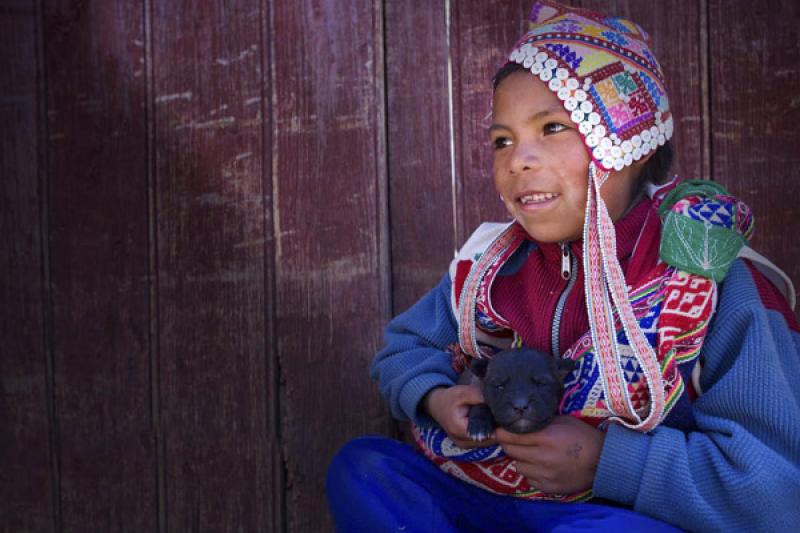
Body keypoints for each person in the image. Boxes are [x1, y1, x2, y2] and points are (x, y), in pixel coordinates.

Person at [326, 1, 800, 531]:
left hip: (619, 516)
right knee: (366, 470)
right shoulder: (490, 268)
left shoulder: (711, 277)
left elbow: (776, 491)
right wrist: (436, 396)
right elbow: (405, 349)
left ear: (629, 144)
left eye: (552, 128)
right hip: (489, 496)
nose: (518, 160)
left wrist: (607, 463)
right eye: (502, 140)